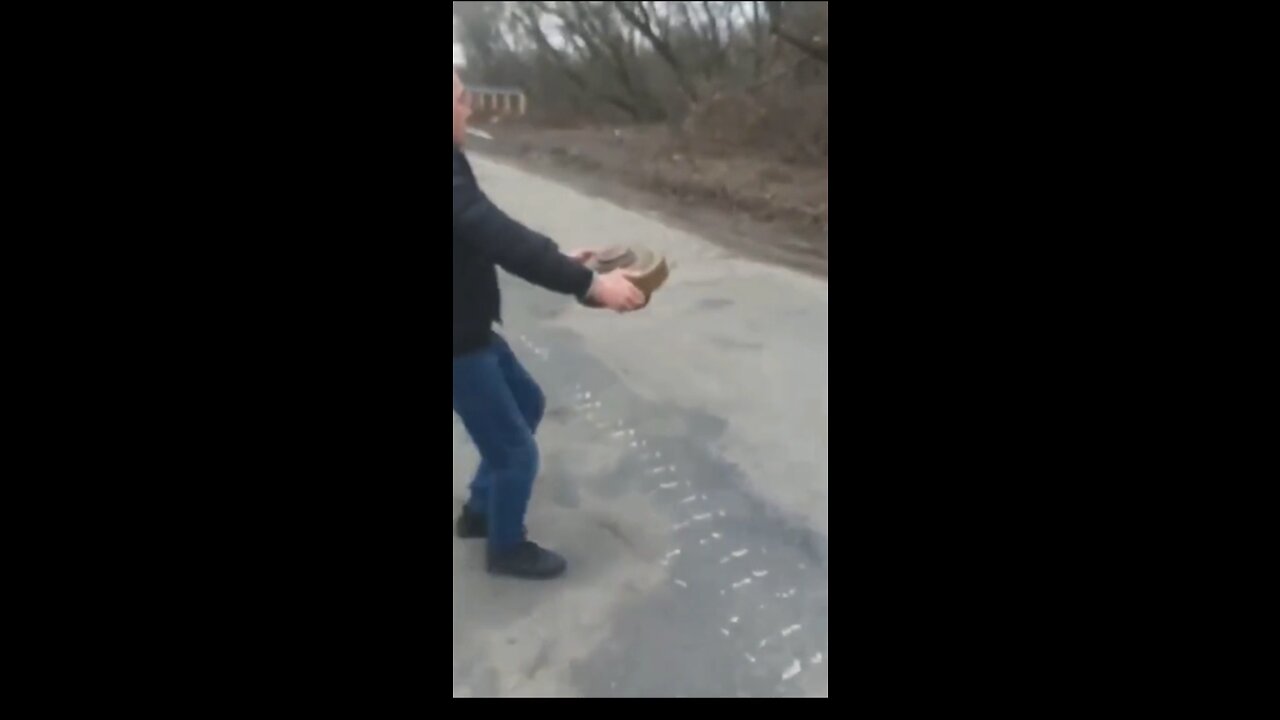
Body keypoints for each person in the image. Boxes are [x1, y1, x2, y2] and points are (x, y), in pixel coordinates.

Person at [453, 71, 645, 579]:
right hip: (457, 345)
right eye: (460, 100)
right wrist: (588, 284)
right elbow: (492, 232)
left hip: (469, 329)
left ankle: (478, 512)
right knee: (516, 453)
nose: (468, 109)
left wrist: (560, 258)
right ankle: (506, 548)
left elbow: (484, 232)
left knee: (528, 404)